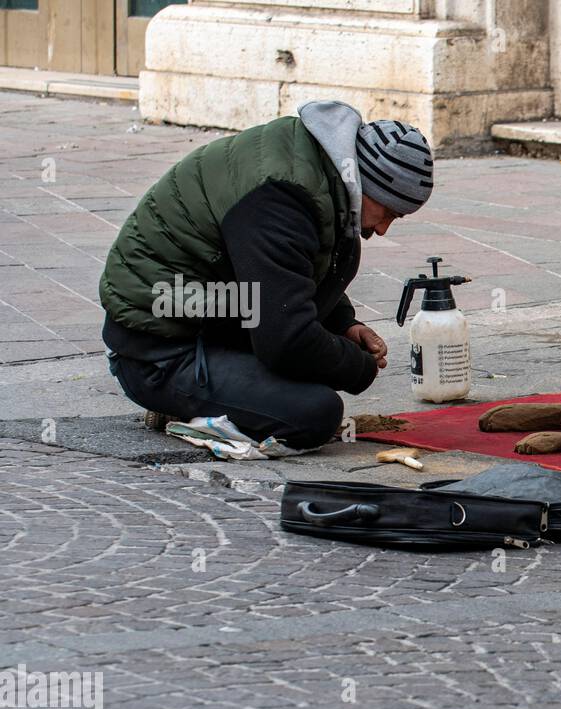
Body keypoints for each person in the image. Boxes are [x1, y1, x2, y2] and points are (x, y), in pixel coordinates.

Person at [99, 101, 433, 449]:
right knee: (313, 414)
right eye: (388, 213)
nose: (382, 229)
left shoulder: (319, 172)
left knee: (311, 362)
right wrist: (358, 368)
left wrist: (343, 325)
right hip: (156, 350)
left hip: (206, 317)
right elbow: (285, 340)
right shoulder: (281, 195)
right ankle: (178, 405)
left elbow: (291, 273)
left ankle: (218, 398)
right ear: (367, 184)